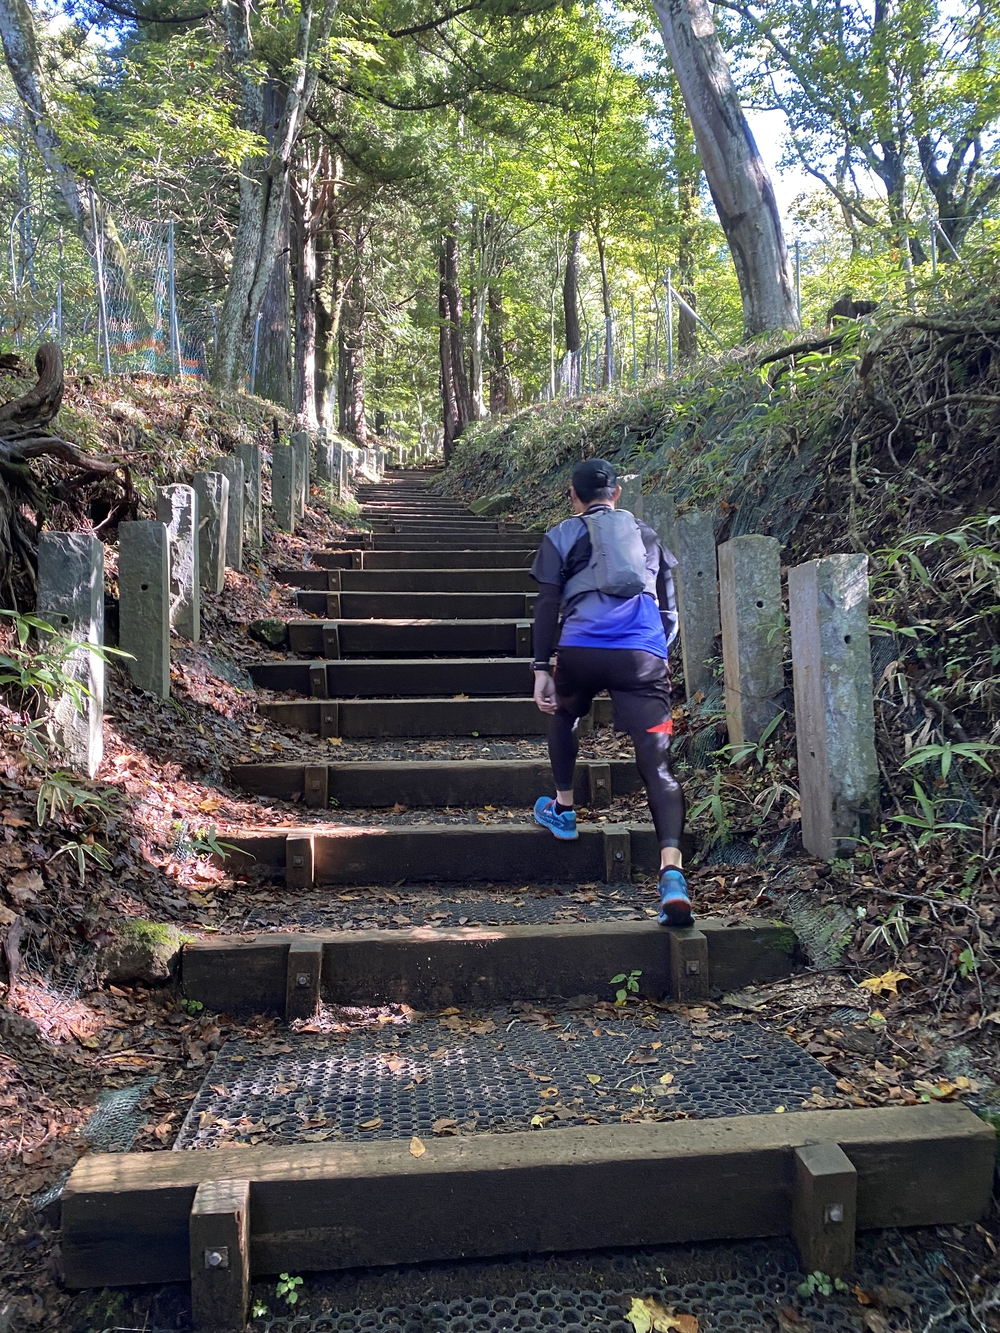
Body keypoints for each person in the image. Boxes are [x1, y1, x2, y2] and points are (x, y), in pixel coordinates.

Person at [529, 458, 692, 927]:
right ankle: (672, 875)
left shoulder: (561, 534)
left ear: (573, 496)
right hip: (642, 657)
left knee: (563, 714)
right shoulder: (646, 535)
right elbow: (670, 610)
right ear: (616, 494)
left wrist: (543, 669)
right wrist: (654, 653)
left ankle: (563, 809)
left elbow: (546, 604)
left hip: (579, 651)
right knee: (657, 766)